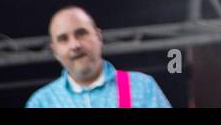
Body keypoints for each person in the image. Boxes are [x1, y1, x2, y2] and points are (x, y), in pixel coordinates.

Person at [26, 6, 171, 108]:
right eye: (63, 39)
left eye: (81, 33)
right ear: (55, 51)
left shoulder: (141, 87)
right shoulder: (42, 102)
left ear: (98, 37)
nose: (75, 45)